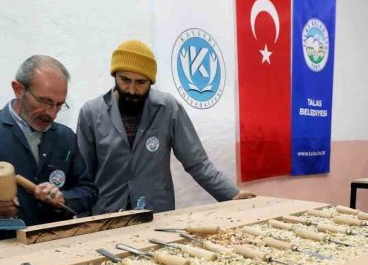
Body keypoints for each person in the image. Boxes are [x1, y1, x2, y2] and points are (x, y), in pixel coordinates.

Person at [77, 40, 254, 214]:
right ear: (114, 76)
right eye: (125, 80)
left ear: (151, 82)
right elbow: (83, 179)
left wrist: (231, 194)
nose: (131, 90)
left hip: (156, 214)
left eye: (140, 82)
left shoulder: (167, 108)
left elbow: (197, 162)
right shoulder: (91, 113)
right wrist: (84, 223)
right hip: (107, 216)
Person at [0, 55, 97, 235]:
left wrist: (64, 198)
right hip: (6, 244)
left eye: (59, 104)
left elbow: (88, 191)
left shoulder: (65, 136)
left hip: (57, 242)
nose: (52, 113)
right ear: (19, 89)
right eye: (45, 101)